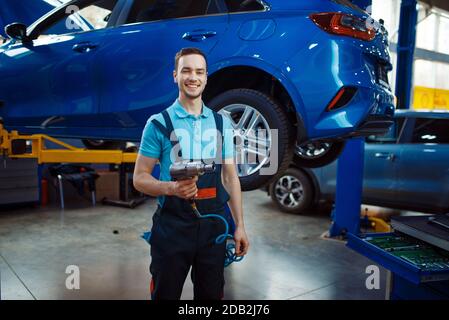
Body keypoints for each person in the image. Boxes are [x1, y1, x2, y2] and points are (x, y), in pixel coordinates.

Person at [133, 47, 249, 300]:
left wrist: (239, 226)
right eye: (186, 70)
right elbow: (139, 178)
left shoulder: (221, 123)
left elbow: (230, 177)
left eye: (199, 72)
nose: (192, 77)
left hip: (214, 228)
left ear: (206, 77)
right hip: (172, 228)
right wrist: (171, 188)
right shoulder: (158, 124)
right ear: (175, 75)